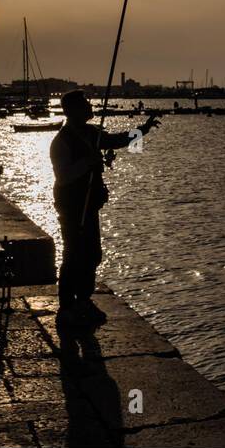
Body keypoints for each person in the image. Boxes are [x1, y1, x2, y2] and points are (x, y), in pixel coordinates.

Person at [50, 90, 159, 325]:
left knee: (92, 254)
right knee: (73, 254)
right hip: (71, 206)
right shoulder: (61, 141)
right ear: (73, 110)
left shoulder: (92, 133)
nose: (90, 107)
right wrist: (87, 162)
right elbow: (63, 176)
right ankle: (67, 307)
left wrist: (143, 129)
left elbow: (119, 140)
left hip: (90, 205)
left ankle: (84, 299)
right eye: (85, 104)